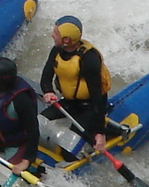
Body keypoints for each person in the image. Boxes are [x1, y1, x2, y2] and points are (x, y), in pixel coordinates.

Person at [38, 16, 111, 153]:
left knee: (68, 151)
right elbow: (46, 78)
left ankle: (98, 137)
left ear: (66, 40)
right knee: (38, 124)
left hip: (89, 107)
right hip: (69, 102)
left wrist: (100, 133)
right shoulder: (56, 51)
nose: (52, 35)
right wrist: (48, 91)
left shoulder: (89, 59)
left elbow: (98, 98)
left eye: (56, 33)